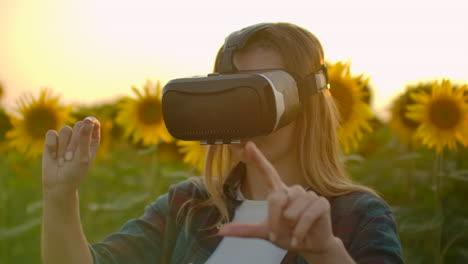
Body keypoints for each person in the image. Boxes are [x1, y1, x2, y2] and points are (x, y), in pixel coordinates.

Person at [41, 22, 404, 264]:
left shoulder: (357, 216)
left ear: (305, 104)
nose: (239, 118)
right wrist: (60, 196)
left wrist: (326, 253)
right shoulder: (190, 206)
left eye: (257, 98)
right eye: (227, 97)